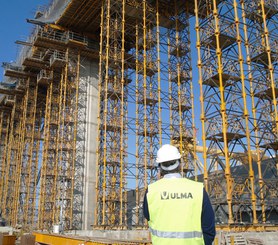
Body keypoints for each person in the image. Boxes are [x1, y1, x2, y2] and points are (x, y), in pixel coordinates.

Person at [143, 144, 216, 245]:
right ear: (180, 164)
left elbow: (148, 216)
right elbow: (209, 228)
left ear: (159, 167)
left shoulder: (151, 191)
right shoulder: (197, 189)